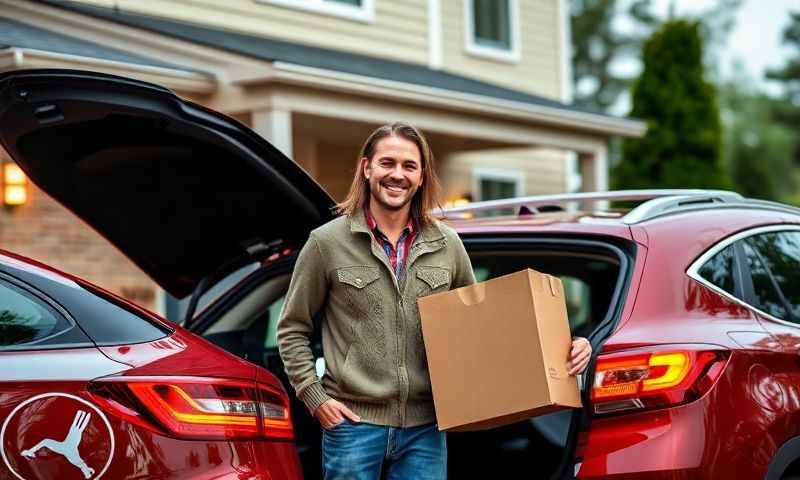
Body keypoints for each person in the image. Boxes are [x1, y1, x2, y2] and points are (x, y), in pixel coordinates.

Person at [276, 122, 592, 479]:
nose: (397, 175)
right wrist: (315, 399)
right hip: (352, 425)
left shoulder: (447, 244)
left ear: (422, 175)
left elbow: (483, 330)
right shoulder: (326, 243)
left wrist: (564, 346)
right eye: (387, 163)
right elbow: (291, 329)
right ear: (367, 168)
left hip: (426, 428)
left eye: (409, 166)